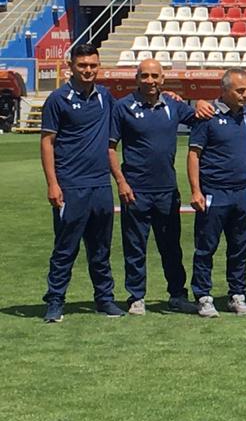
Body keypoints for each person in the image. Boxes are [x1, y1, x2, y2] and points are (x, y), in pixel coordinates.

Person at [40, 43, 126, 322]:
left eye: (92, 65)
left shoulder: (105, 96)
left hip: (100, 185)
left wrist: (170, 94)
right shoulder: (58, 99)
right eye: (82, 66)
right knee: (65, 249)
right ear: (71, 67)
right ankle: (55, 301)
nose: (88, 71)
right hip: (71, 186)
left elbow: (130, 107)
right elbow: (47, 142)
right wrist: (53, 184)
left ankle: (104, 299)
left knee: (101, 249)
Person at [109, 59, 200, 315]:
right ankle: (136, 297)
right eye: (144, 76)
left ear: (163, 79)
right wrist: (121, 182)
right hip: (135, 191)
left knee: (171, 246)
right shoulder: (123, 107)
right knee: (135, 247)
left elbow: (201, 119)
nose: (150, 80)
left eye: (154, 76)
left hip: (167, 191)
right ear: (137, 79)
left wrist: (204, 104)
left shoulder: (173, 105)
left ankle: (177, 296)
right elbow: (110, 148)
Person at [188, 69, 246, 317]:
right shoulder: (207, 117)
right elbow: (194, 155)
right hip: (215, 192)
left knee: (240, 248)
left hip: (243, 191)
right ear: (224, 90)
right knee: (206, 248)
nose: (245, 95)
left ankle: (236, 295)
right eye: (239, 91)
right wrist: (196, 191)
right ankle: (203, 296)